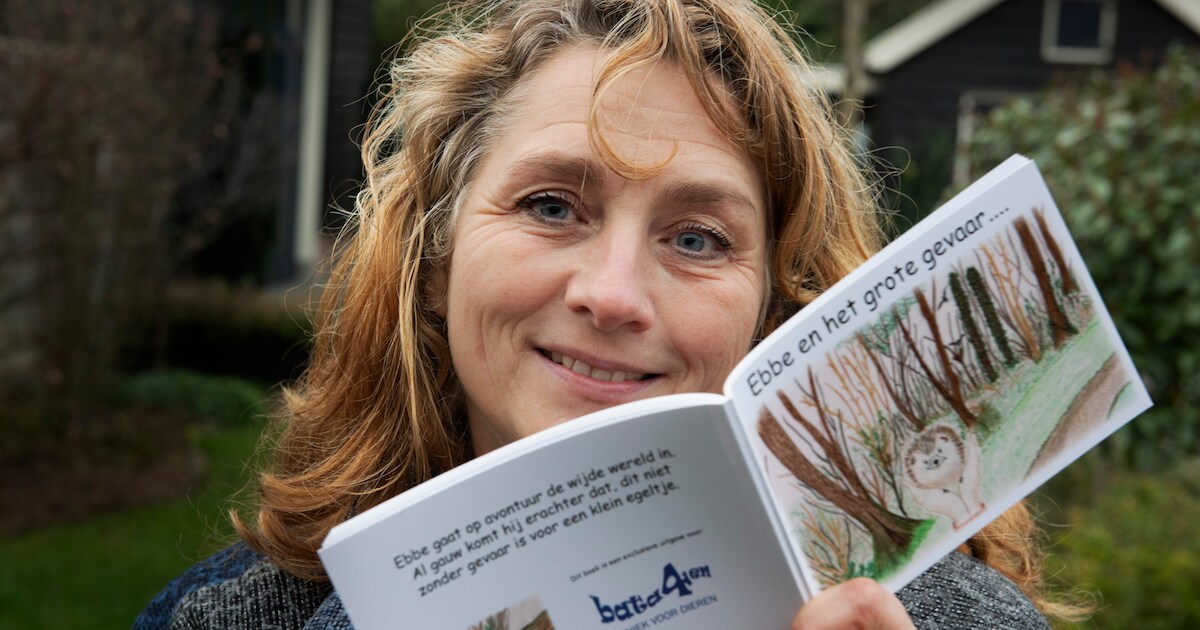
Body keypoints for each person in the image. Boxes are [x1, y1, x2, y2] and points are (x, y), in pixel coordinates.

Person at [137, 0, 1074, 628]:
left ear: (773, 305)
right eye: (552, 206)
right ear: (434, 258)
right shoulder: (223, 617)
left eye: (699, 238)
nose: (614, 294)